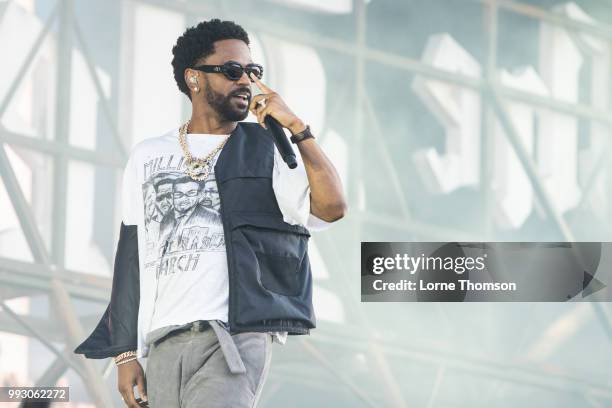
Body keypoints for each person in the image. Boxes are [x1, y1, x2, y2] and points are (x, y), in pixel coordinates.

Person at [74, 18, 346, 408]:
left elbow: (333, 208)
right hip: (163, 342)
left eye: (253, 72)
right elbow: (132, 255)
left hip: (231, 336)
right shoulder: (148, 155)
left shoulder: (266, 148)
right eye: (233, 71)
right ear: (194, 79)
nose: (246, 82)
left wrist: (298, 129)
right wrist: (125, 352)